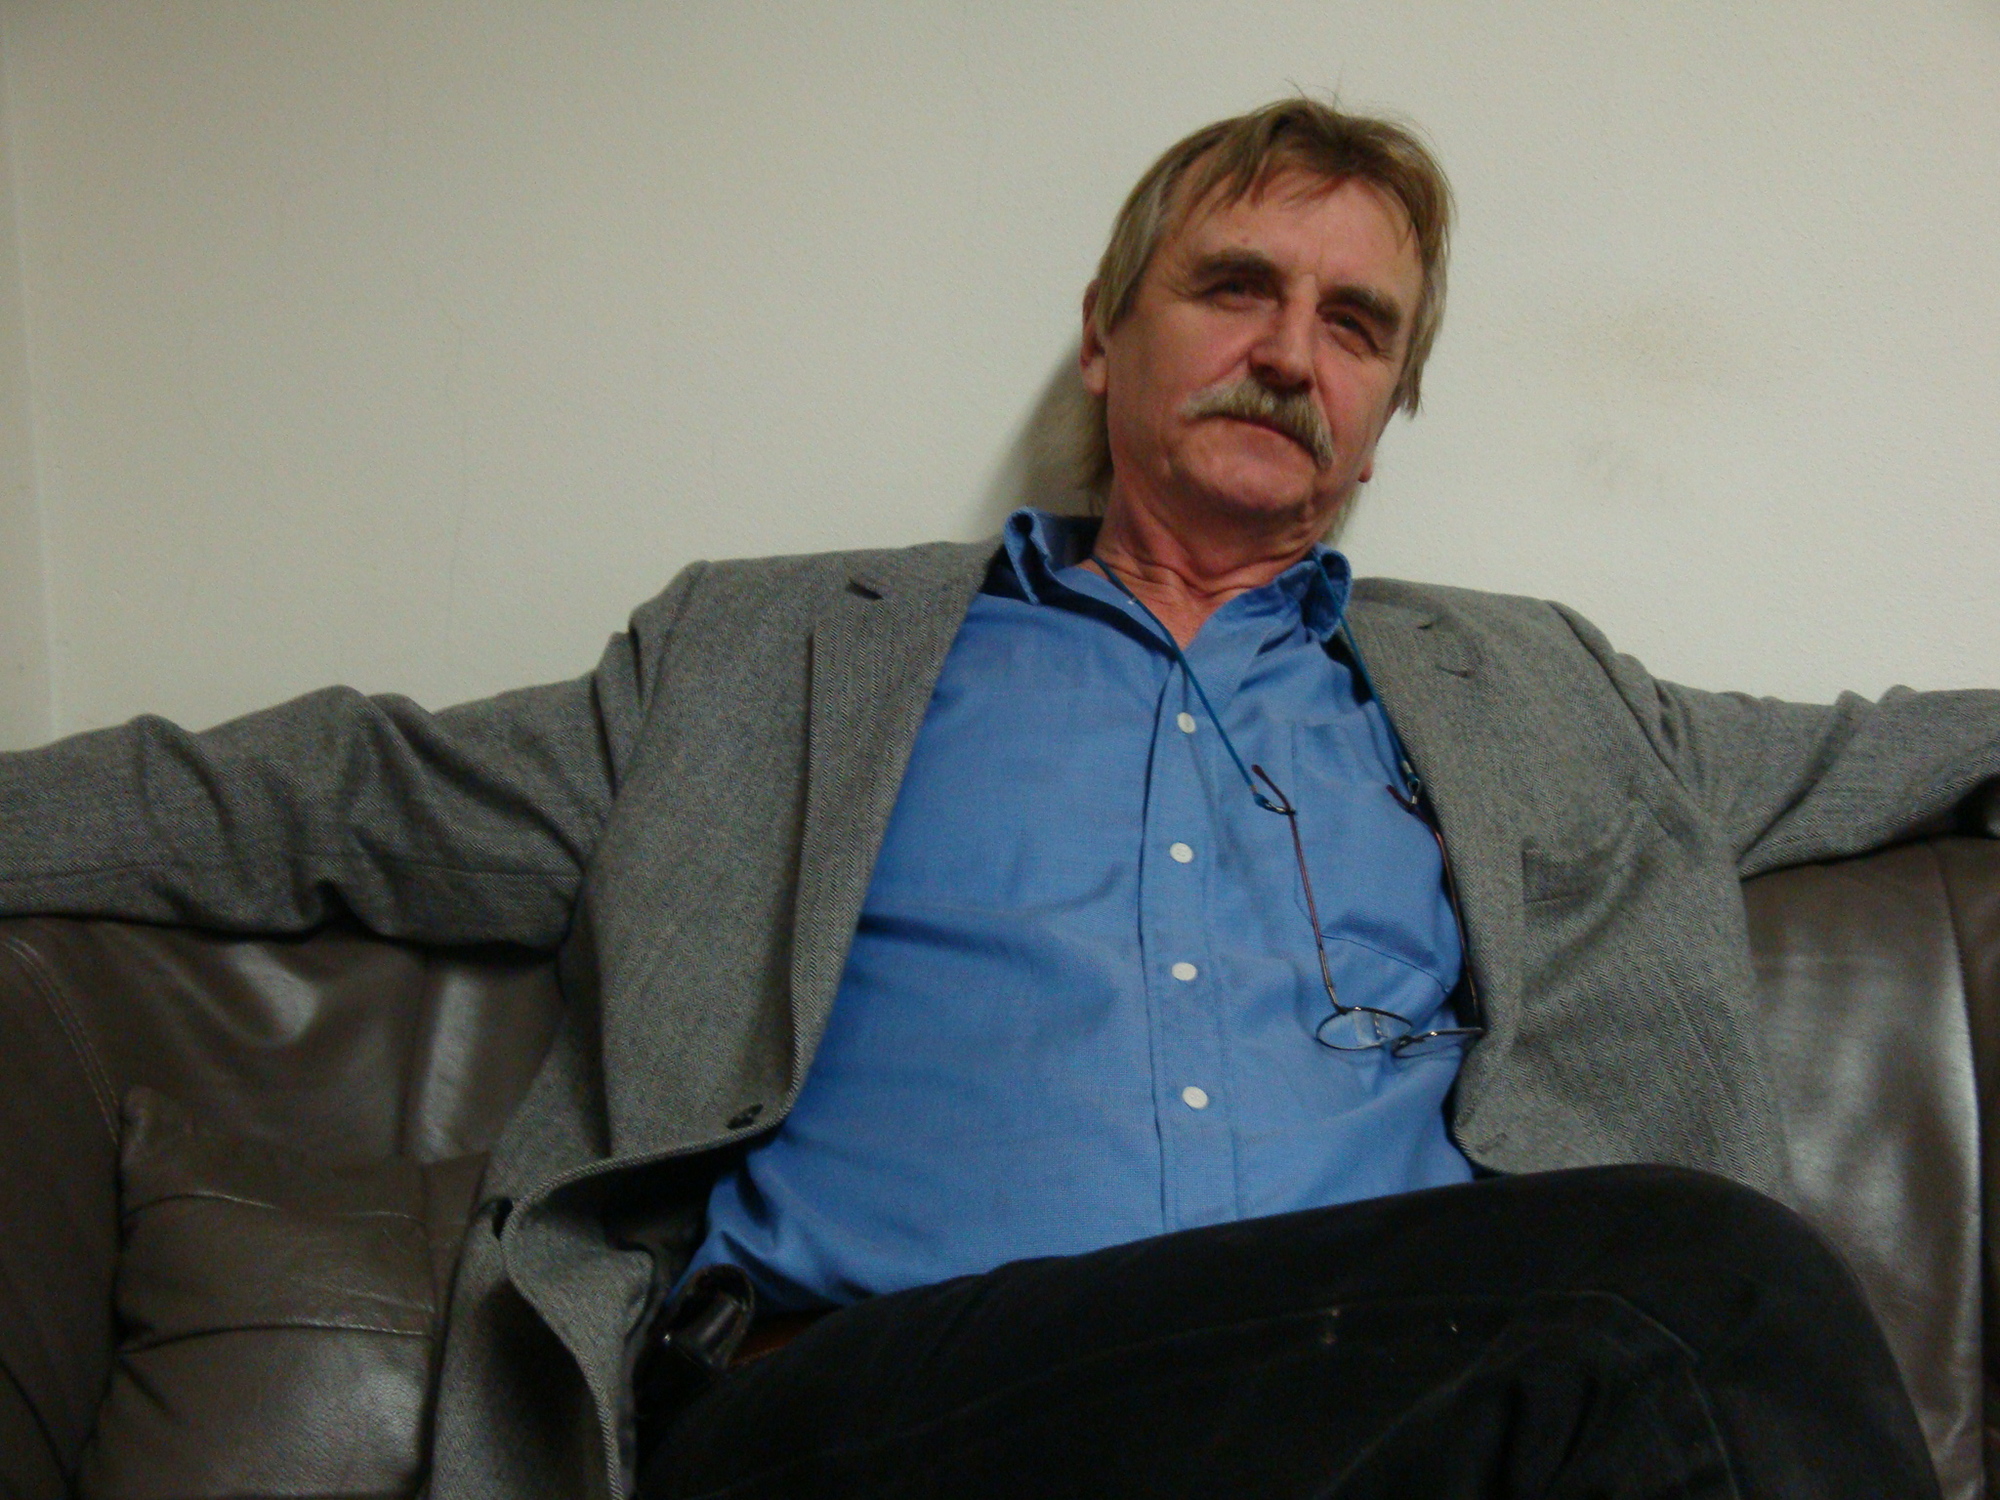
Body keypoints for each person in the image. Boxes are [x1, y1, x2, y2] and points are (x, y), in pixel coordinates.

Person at [0, 97, 1989, 1497]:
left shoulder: (1546, 693)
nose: (1289, 353)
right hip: (880, 1412)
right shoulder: (772, 663)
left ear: (1388, 411)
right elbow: (334, 796)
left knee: (1682, 1319)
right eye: (1235, 287)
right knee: (1722, 1288)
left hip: (1407, 1415)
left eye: (1356, 324)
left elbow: (1892, 743)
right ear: (1106, 336)